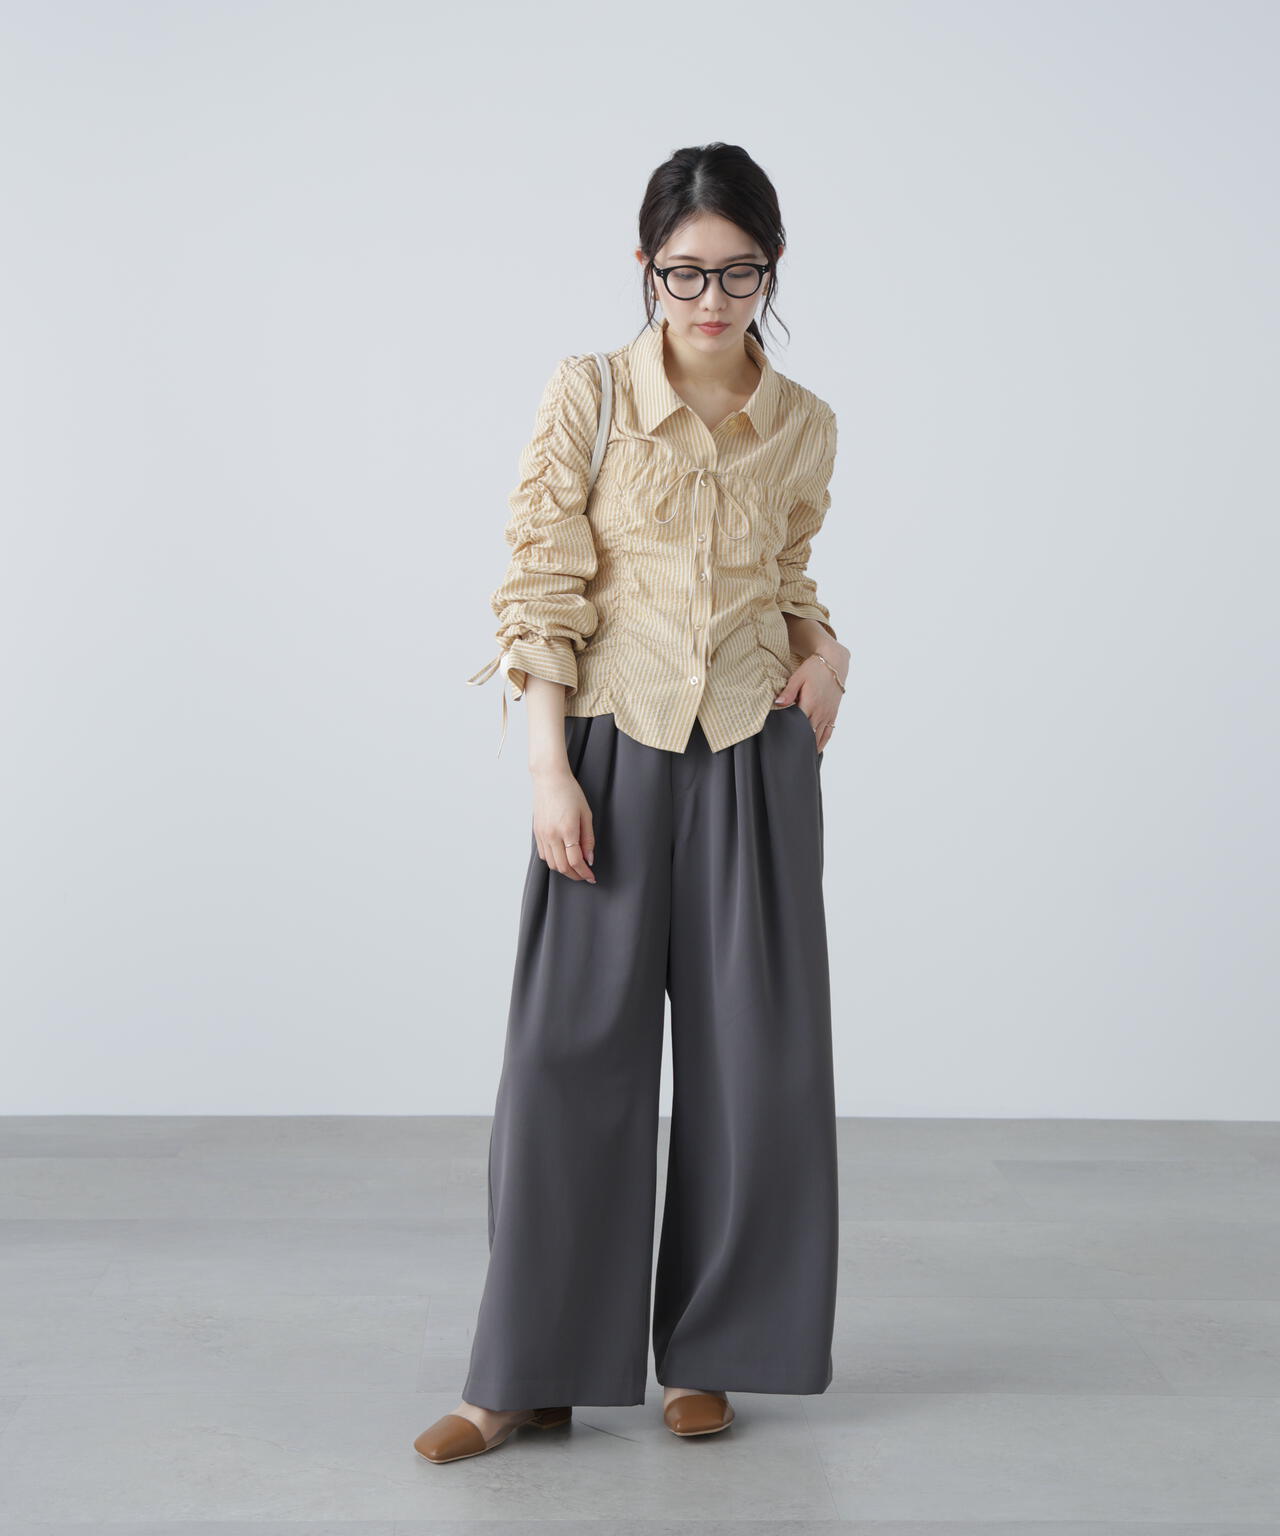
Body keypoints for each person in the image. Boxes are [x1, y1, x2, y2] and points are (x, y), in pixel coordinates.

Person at [414, 141, 847, 1466]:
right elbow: (542, 583)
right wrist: (548, 769)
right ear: (647, 267)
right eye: (685, 273)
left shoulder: (804, 420)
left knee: (754, 1068)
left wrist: (829, 654)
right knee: (566, 1062)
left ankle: (712, 1357)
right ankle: (528, 1375)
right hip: (610, 749)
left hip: (754, 756)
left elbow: (788, 574)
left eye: (739, 273)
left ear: (774, 269)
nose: (712, 300)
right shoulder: (591, 392)